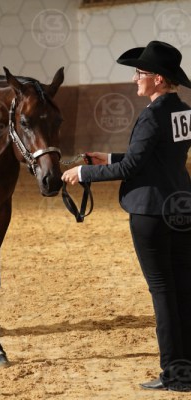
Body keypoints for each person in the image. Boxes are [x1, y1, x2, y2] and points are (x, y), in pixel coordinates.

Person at [62, 40, 191, 391]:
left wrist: (84, 173)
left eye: (140, 72)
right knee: (182, 287)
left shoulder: (151, 114)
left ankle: (174, 375)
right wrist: (107, 157)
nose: (135, 78)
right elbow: (157, 157)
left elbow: (134, 166)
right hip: (181, 207)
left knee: (162, 291)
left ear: (158, 78)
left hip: (150, 211)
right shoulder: (183, 111)